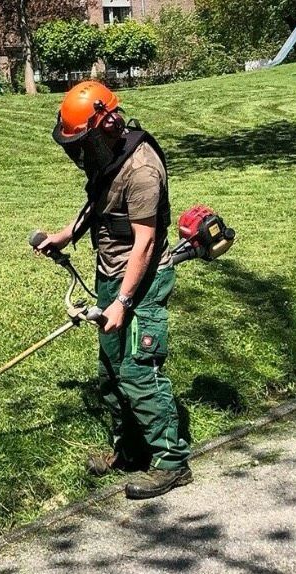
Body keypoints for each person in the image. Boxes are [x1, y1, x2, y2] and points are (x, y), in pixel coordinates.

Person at [36, 81, 192, 499]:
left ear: (105, 124)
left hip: (141, 281)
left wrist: (123, 302)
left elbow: (143, 243)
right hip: (111, 275)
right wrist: (64, 235)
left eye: (82, 141)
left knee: (138, 369)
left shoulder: (142, 170)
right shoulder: (110, 158)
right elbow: (97, 203)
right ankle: (131, 449)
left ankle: (171, 461)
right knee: (110, 371)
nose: (79, 153)